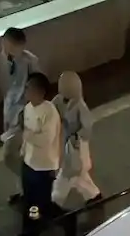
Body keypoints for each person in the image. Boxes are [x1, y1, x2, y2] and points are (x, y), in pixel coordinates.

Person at [0, 27, 42, 204]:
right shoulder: (3, 58)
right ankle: (26, 190)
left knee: (10, 155)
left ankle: (33, 185)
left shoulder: (30, 62)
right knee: (22, 155)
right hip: (11, 113)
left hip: (24, 115)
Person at [53, 71, 97, 232]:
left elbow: (87, 126)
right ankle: (93, 195)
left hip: (76, 146)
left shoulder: (80, 106)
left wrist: (77, 138)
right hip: (67, 144)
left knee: (68, 174)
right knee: (78, 175)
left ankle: (56, 200)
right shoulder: (59, 101)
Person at [19, 73, 63, 231]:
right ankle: (30, 227)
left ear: (40, 91)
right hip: (29, 163)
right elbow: (27, 132)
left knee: (40, 201)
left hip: (44, 167)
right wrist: (24, 149)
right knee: (29, 199)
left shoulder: (49, 112)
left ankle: (40, 226)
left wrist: (27, 136)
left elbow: (45, 140)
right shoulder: (28, 109)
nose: (26, 92)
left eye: (29, 88)